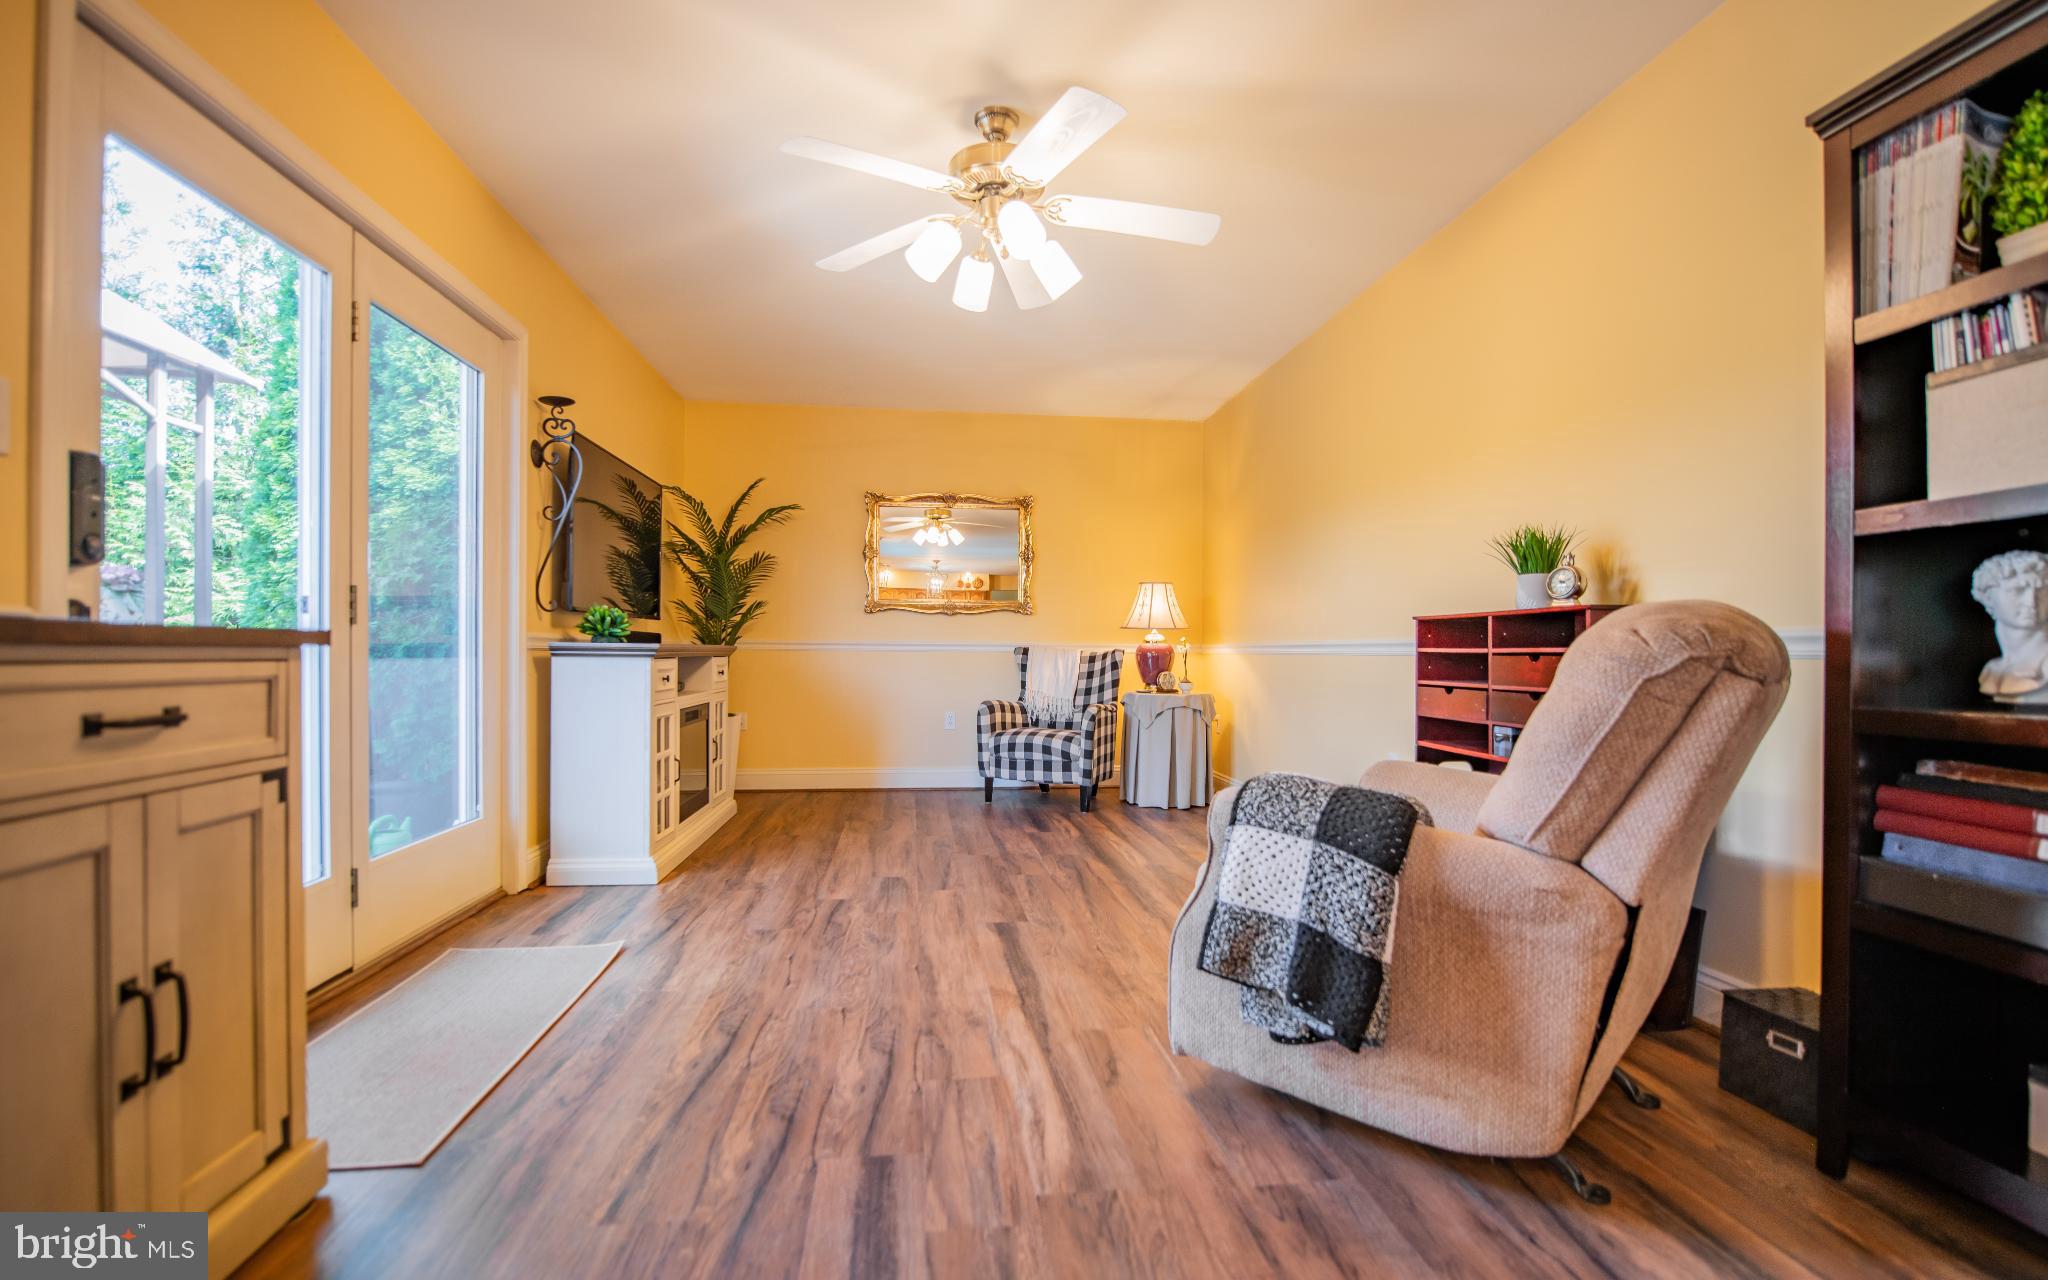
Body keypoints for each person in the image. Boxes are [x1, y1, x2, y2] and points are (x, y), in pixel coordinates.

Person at [1971, 550, 2048, 703]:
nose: (2030, 602)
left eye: (2042, 591)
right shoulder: (1993, 669)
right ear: (1988, 597)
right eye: (2017, 591)